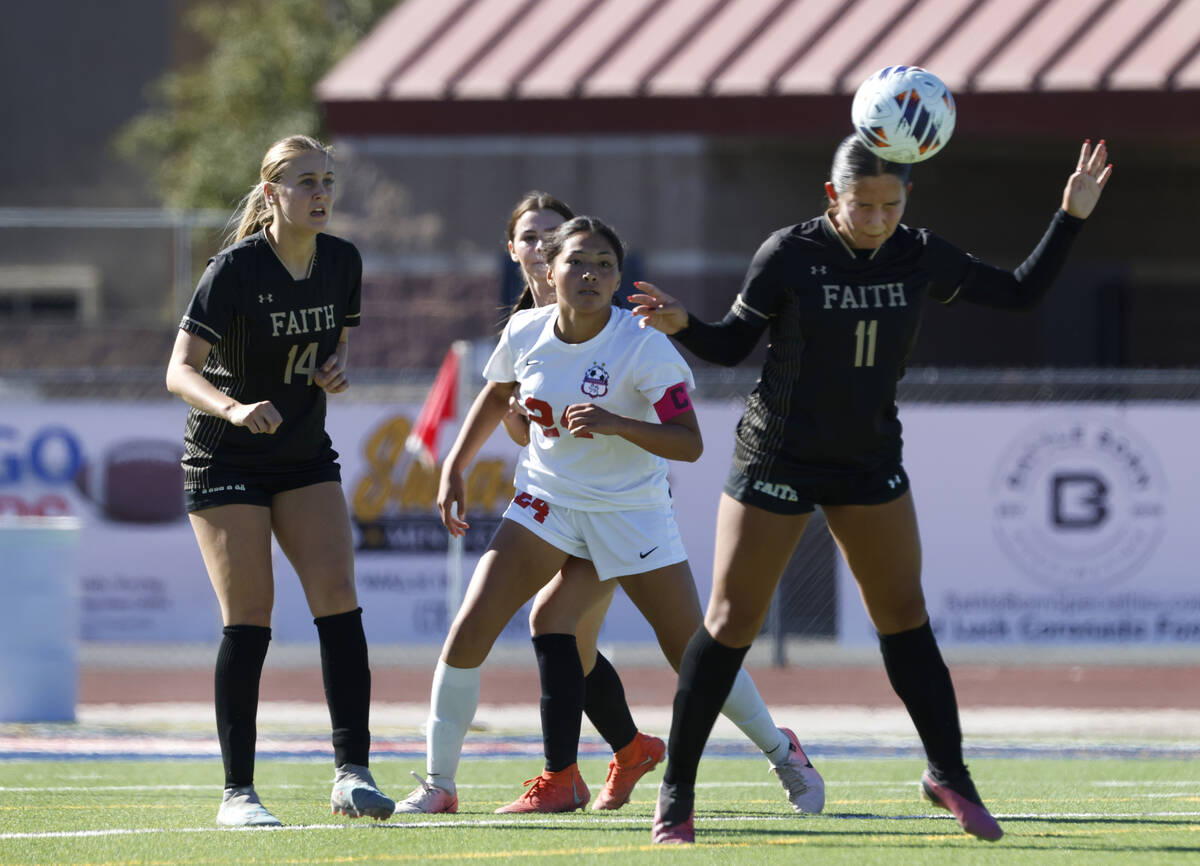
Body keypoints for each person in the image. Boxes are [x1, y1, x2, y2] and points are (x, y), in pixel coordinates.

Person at [632, 136, 1112, 844]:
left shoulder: (919, 252)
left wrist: (1070, 216)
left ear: (907, 199)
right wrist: (684, 327)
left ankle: (948, 772)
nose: (878, 217)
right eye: (863, 205)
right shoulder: (788, 253)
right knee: (731, 621)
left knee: (904, 615)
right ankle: (677, 793)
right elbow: (733, 345)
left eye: (892, 204)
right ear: (833, 197)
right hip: (779, 453)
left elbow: (1020, 293)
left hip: (866, 460)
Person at [395, 215, 823, 817]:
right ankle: (440, 784)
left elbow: (690, 442)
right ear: (549, 269)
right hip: (546, 501)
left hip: (631, 513)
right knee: (474, 627)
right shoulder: (525, 330)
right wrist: (456, 465)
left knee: (690, 650)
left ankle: (784, 753)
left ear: (620, 278)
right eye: (577, 262)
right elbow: (499, 392)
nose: (590, 274)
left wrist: (618, 423)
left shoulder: (642, 343)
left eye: (604, 264)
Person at [165, 134, 394, 827]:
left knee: (339, 600)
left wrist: (333, 368)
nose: (320, 194)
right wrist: (233, 406)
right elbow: (178, 369)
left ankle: (352, 773)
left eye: (326, 181)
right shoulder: (234, 270)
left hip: (301, 452)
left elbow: (335, 342)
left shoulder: (343, 261)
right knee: (251, 616)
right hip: (224, 457)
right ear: (271, 195)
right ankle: (238, 793)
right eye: (304, 183)